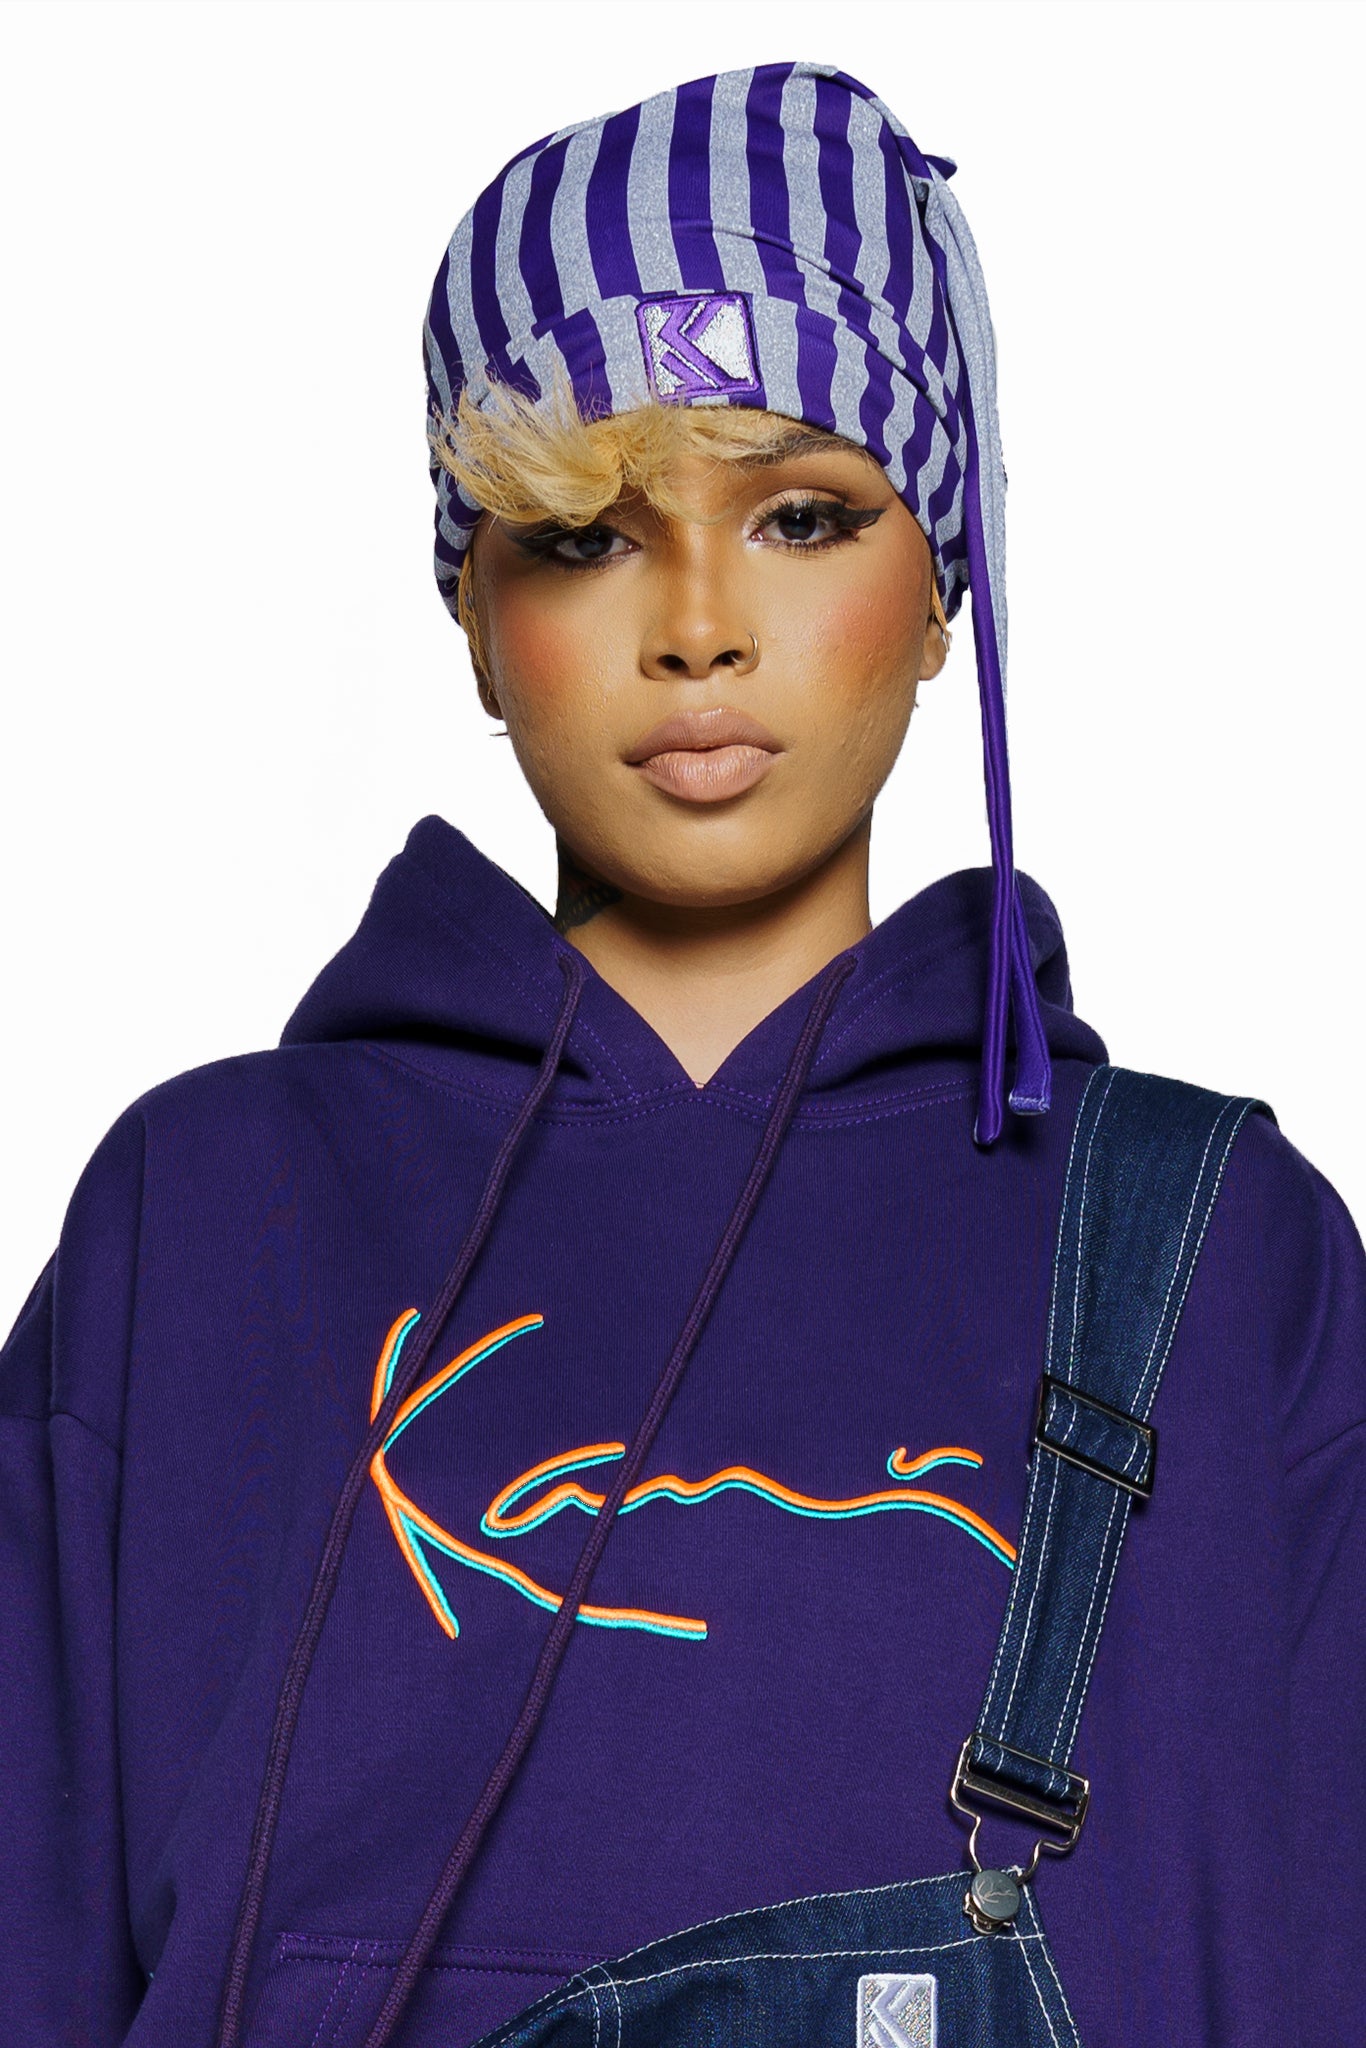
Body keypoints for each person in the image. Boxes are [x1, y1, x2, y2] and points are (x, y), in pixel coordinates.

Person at [2, 57, 1362, 2048]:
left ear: (940, 591)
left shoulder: (1215, 1254)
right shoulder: (201, 1215)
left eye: (802, 516)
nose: (700, 627)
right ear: (473, 613)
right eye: (583, 537)